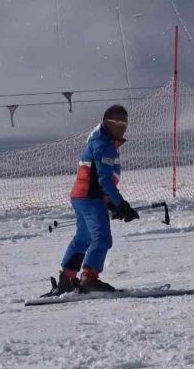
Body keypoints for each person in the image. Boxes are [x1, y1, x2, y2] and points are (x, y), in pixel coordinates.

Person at [45, 105, 139, 296]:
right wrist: (121, 205)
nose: (122, 127)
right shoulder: (103, 145)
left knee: (84, 238)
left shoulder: (100, 142)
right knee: (102, 238)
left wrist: (112, 203)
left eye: (125, 122)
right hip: (90, 198)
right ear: (106, 122)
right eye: (117, 122)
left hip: (82, 196)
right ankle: (89, 278)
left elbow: (99, 178)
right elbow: (104, 180)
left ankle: (67, 279)